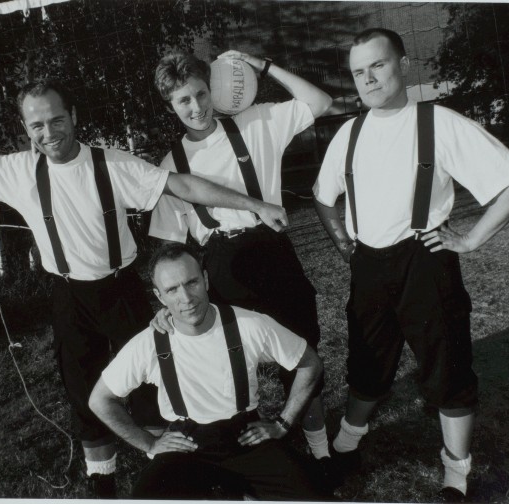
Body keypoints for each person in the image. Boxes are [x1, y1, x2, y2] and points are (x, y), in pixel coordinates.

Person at [0, 80, 291, 498]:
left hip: (122, 291)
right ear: (26, 128)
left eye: (57, 119)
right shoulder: (16, 170)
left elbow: (182, 185)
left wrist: (254, 204)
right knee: (82, 390)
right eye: (37, 124)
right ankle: (103, 484)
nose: (49, 131)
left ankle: (190, 465)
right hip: (68, 296)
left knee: (161, 383)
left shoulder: (111, 163)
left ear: (72, 115)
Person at [313, 28, 509, 502]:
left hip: (426, 264)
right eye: (358, 71)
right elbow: (322, 197)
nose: (368, 78)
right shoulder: (348, 134)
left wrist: (473, 239)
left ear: (403, 64)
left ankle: (456, 476)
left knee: (447, 370)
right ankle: (347, 444)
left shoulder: (440, 123)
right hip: (368, 266)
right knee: (367, 366)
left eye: (377, 65)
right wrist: (344, 246)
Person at [147, 49, 337, 476]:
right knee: (229, 363)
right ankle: (242, 457)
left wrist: (263, 65)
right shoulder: (171, 166)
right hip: (221, 265)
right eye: (183, 101)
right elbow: (167, 248)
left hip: (272, 251)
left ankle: (321, 452)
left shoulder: (256, 123)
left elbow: (320, 102)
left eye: (200, 93)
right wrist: (166, 300)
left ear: (211, 88)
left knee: (301, 348)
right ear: (170, 106)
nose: (196, 107)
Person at [89, 243, 326, 500]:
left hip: (245, 438)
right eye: (172, 289)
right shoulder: (150, 342)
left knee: (309, 496)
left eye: (191, 283)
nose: (186, 298)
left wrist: (283, 423)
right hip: (187, 444)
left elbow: (310, 363)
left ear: (205, 279)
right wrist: (149, 443)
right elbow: (100, 399)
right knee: (146, 496)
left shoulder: (248, 324)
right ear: (160, 297)